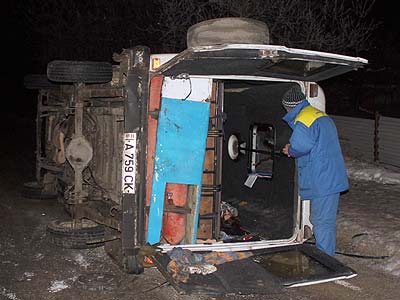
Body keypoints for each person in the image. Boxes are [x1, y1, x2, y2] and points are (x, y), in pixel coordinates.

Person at [281, 85, 349, 256]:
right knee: (321, 219)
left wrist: (290, 150)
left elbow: (301, 145)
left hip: (323, 177)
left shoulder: (304, 119)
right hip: (329, 175)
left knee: (322, 221)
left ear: (289, 107)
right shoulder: (318, 114)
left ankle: (327, 259)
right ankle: (325, 253)